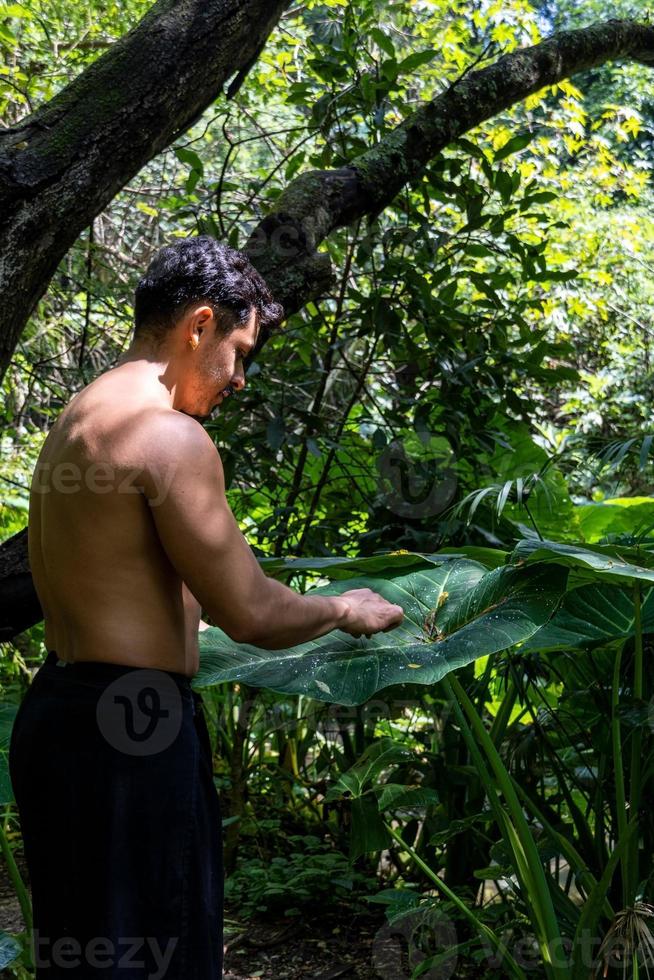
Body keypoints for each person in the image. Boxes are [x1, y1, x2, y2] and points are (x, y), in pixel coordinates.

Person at [9, 235, 405, 979]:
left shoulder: (80, 417)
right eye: (241, 349)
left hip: (60, 716)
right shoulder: (168, 436)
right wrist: (342, 608)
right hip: (134, 728)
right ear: (198, 326)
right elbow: (250, 613)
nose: (241, 378)